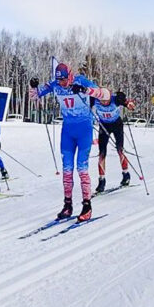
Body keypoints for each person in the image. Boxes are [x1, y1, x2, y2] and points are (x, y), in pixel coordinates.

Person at [29, 62, 110, 222]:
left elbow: (105, 94)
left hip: (84, 130)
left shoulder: (81, 81)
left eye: (65, 80)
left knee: (81, 167)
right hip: (67, 131)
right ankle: (68, 205)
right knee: (67, 169)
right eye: (59, 81)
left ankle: (87, 205)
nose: (62, 84)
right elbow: (34, 96)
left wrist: (85, 90)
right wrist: (33, 86)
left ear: (70, 76)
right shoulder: (56, 84)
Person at [94, 90, 135, 193]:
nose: (103, 103)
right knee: (102, 153)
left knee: (120, 150)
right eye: (101, 101)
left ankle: (126, 174)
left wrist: (129, 105)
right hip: (104, 126)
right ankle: (101, 180)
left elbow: (127, 102)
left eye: (106, 101)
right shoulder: (94, 100)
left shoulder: (115, 99)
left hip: (117, 125)